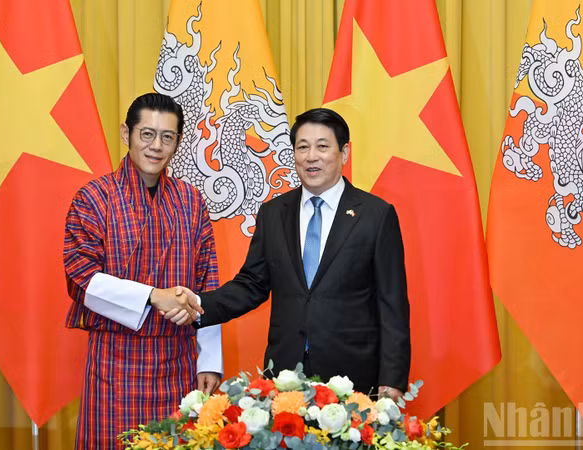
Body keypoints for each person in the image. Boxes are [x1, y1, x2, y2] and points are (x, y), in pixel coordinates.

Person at [174, 108, 410, 398]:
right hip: (284, 378)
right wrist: (198, 303)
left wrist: (392, 379)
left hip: (354, 378)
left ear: (344, 153)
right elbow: (252, 285)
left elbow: (392, 304)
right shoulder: (274, 213)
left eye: (323, 146)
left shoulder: (375, 215)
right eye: (303, 147)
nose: (312, 156)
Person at [63, 93, 221, 449]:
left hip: (178, 363)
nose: (156, 146)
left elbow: (209, 281)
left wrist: (209, 359)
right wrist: (153, 296)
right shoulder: (93, 198)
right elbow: (80, 279)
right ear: (126, 133)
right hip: (115, 364)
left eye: (167, 137)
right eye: (146, 134)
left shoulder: (191, 201)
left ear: (178, 142)